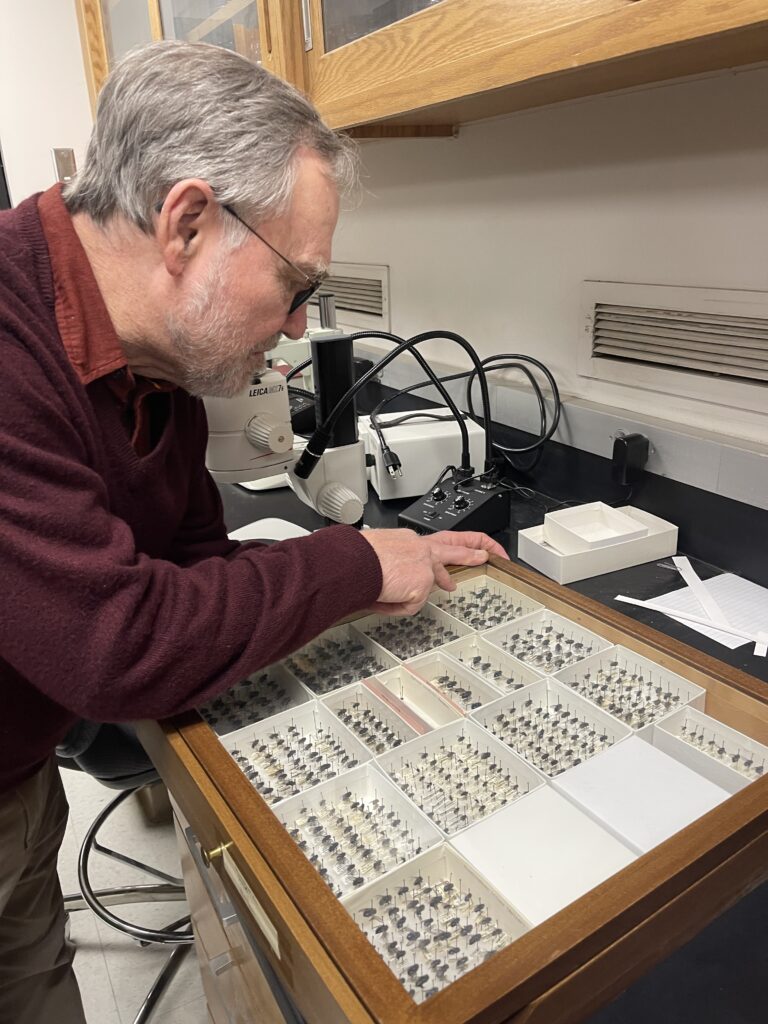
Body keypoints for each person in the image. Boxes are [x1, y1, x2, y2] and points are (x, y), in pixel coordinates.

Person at [0, 40, 506, 1024]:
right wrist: (355, 560)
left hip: (20, 783)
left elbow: (193, 570)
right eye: (297, 285)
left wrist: (370, 570)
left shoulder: (163, 380)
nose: (293, 327)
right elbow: (125, 641)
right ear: (187, 222)